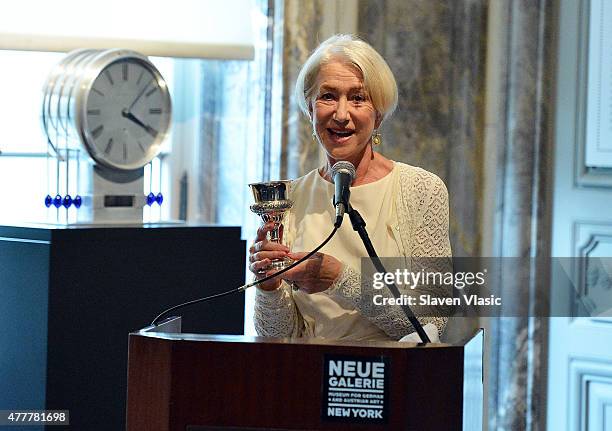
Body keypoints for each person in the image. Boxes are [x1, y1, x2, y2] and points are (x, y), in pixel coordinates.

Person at [249, 34, 452, 341]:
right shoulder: (288, 199)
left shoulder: (421, 189)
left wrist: (338, 278)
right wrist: (269, 286)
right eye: (328, 96)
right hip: (308, 379)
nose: (341, 114)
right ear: (310, 108)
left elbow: (431, 319)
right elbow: (278, 335)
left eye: (358, 98)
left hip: (392, 379)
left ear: (378, 115)